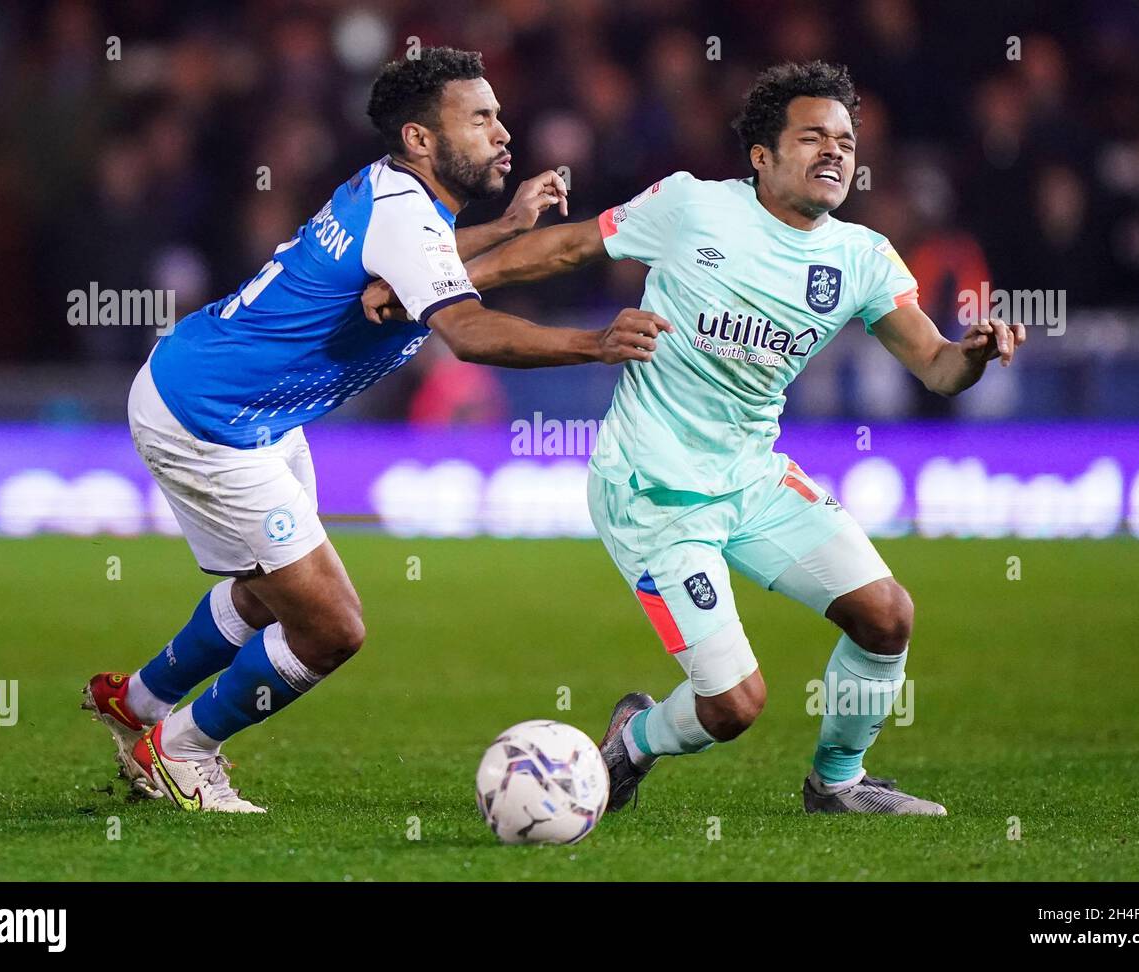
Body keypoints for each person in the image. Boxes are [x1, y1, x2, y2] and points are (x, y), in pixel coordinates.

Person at [366, 61, 1026, 815]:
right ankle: (633, 743)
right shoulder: (691, 207)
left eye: (845, 140)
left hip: (752, 478)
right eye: (812, 137)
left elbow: (938, 368)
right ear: (761, 156)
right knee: (735, 705)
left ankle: (837, 783)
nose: (835, 152)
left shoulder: (863, 258)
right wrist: (437, 282)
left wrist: (970, 355)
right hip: (653, 491)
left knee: (886, 615)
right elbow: (568, 248)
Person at [81, 47, 668, 812]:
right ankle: (182, 749)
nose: (503, 133)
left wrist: (508, 223)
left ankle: (144, 702)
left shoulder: (392, 196)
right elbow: (472, 333)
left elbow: (419, 269)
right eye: (481, 118)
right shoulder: (401, 215)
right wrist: (595, 343)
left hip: (232, 399)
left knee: (268, 594)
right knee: (331, 627)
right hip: (212, 420)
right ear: (422, 139)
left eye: (499, 115)